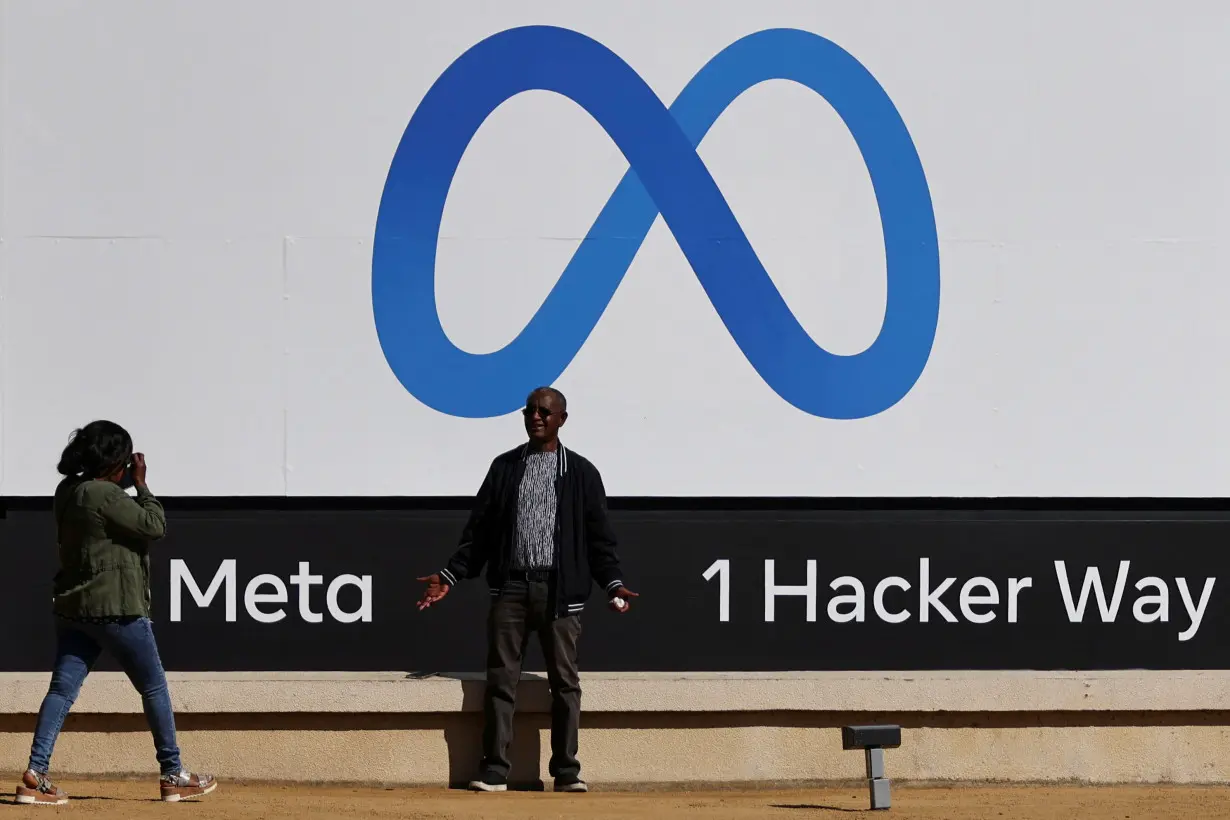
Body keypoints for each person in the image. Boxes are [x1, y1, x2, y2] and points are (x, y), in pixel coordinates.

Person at [416, 387, 638, 794]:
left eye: (544, 411)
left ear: (561, 420)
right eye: (530, 411)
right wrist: (450, 576)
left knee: (565, 684)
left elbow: (599, 540)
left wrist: (613, 584)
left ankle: (567, 770)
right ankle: (495, 770)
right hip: (511, 590)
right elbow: (479, 533)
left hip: (561, 594)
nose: (535, 416)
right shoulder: (504, 468)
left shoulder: (582, 473)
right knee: (501, 680)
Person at [15, 421, 217, 805]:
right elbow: (153, 525)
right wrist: (141, 485)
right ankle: (173, 773)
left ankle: (35, 774)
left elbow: (103, 502)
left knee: (61, 690)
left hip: (75, 609)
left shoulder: (69, 490)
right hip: (117, 609)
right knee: (153, 687)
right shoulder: (108, 495)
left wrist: (122, 481)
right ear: (116, 463)